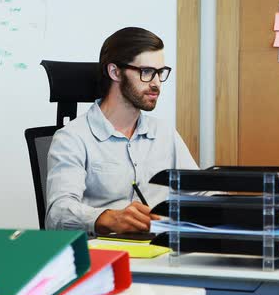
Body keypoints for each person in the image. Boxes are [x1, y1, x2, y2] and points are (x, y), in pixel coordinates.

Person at [45, 27, 198, 234]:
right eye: (146, 72)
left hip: (161, 251)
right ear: (115, 72)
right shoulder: (72, 138)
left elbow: (202, 192)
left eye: (160, 73)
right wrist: (109, 218)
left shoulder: (164, 133)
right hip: (105, 254)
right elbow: (58, 214)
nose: (156, 83)